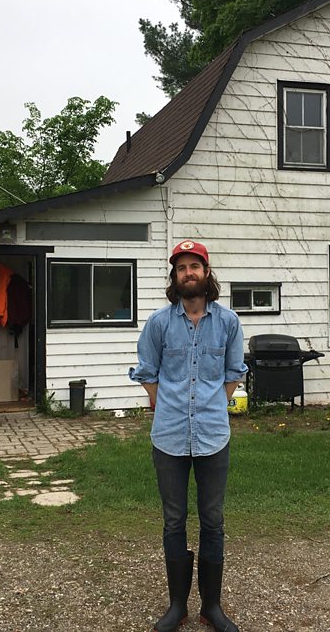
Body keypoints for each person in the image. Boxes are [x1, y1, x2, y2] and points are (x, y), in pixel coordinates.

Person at [129, 239, 246, 632]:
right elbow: (147, 373)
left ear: (206, 273)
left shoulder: (228, 323)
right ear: (175, 277)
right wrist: (167, 405)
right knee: (173, 521)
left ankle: (211, 607)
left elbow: (233, 374)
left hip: (213, 436)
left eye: (194, 266)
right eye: (181, 268)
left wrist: (212, 405)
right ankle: (177, 606)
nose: (188, 273)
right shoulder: (159, 324)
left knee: (212, 520)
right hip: (169, 437)